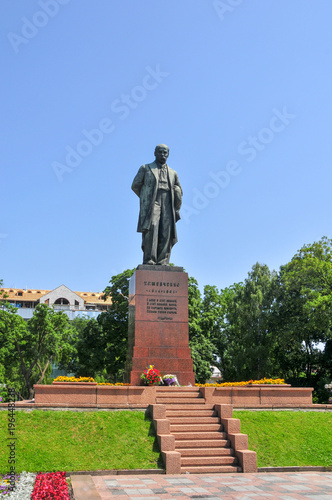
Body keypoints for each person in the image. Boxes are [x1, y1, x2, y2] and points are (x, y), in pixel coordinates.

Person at [131, 144, 182, 265]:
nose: (163, 155)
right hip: (153, 201)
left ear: (168, 155)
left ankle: (163, 260)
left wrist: (177, 193)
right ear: (155, 153)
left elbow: (179, 187)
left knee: (166, 230)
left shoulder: (173, 173)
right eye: (160, 152)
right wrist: (146, 198)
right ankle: (150, 258)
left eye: (165, 153)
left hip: (168, 200)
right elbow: (135, 185)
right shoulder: (146, 168)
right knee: (152, 227)